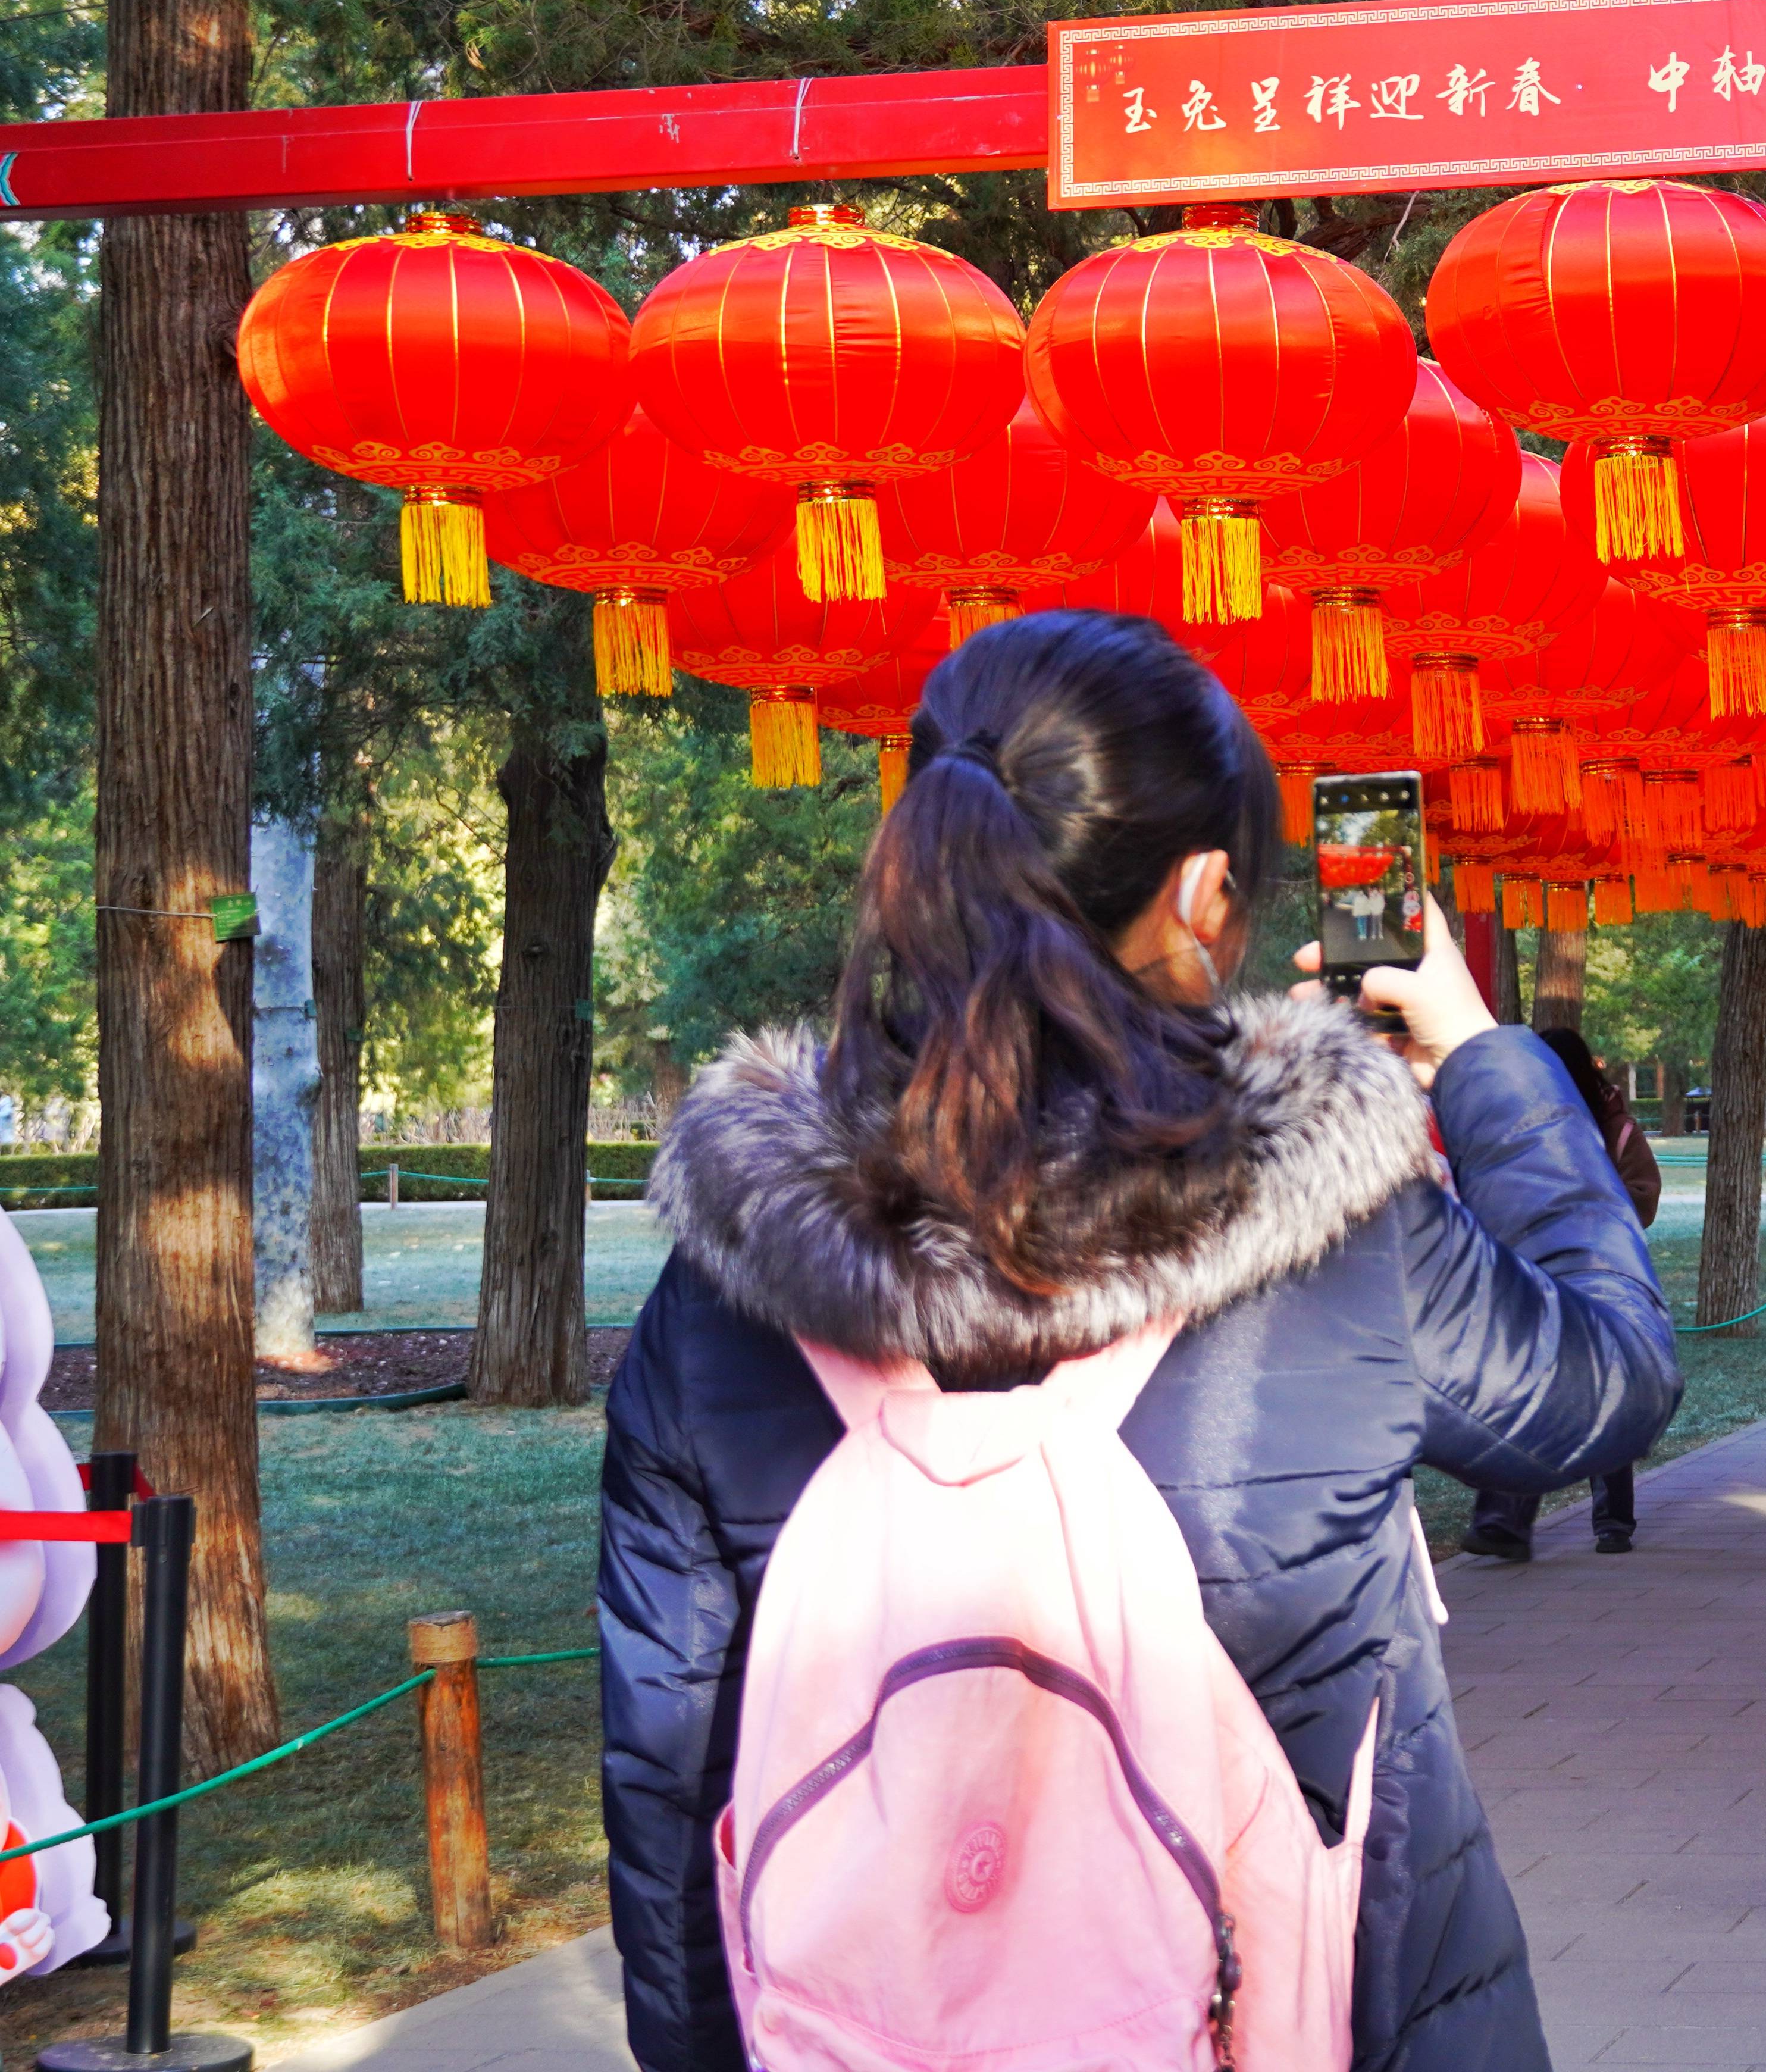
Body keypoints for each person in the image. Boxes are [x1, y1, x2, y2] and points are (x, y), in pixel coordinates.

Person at [598, 610, 1680, 2072]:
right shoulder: (1332, 1238)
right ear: (1204, 894)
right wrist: (1482, 1057)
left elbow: (669, 1789)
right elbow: (1608, 1380)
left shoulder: (721, 1292)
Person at [1467, 1026, 1664, 1560]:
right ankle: (1502, 1520)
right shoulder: (1519, 1122)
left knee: (1603, 1387)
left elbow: (1644, 1196)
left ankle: (1613, 1521)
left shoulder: (1616, 1129)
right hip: (1531, 1274)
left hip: (1600, 1273)